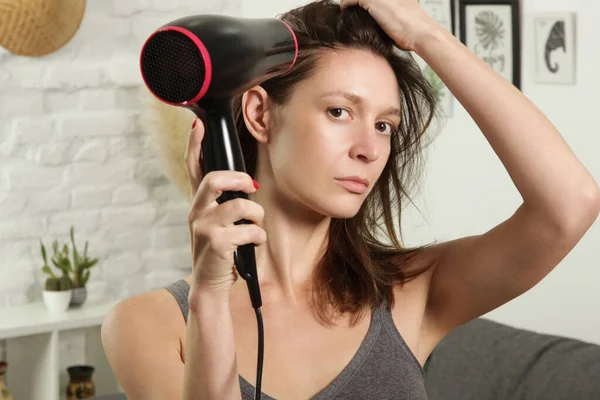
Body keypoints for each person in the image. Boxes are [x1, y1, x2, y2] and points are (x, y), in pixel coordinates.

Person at [100, 1, 600, 399]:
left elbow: (570, 203)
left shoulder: (407, 294)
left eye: (385, 125)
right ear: (259, 115)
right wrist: (211, 293)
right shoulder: (150, 325)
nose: (368, 149)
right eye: (340, 111)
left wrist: (427, 36)